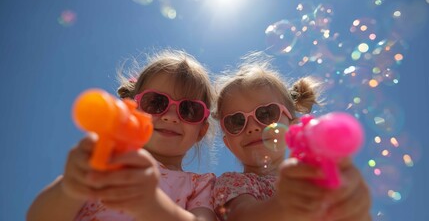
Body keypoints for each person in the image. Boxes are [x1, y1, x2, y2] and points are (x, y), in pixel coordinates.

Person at [27, 49, 218, 221]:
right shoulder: (106, 161)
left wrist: (152, 206)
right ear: (132, 109)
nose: (170, 117)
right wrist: (71, 187)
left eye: (189, 110)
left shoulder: (199, 186)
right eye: (156, 103)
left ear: (201, 131)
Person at [212, 51, 372, 221]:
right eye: (236, 122)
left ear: (293, 128)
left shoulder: (315, 175)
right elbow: (241, 215)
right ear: (228, 143)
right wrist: (286, 205)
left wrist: (354, 209)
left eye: (266, 113)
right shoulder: (232, 182)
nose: (251, 127)